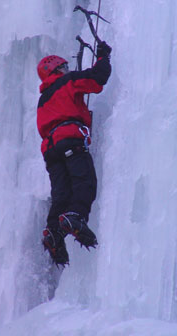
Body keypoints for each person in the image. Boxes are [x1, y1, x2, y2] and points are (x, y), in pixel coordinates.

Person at [36, 41, 112, 266]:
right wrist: (103, 57)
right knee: (84, 181)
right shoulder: (66, 82)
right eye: (65, 67)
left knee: (61, 194)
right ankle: (76, 216)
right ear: (58, 70)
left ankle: (53, 234)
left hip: (50, 150)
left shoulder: (43, 99)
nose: (68, 71)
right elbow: (97, 79)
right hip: (69, 139)